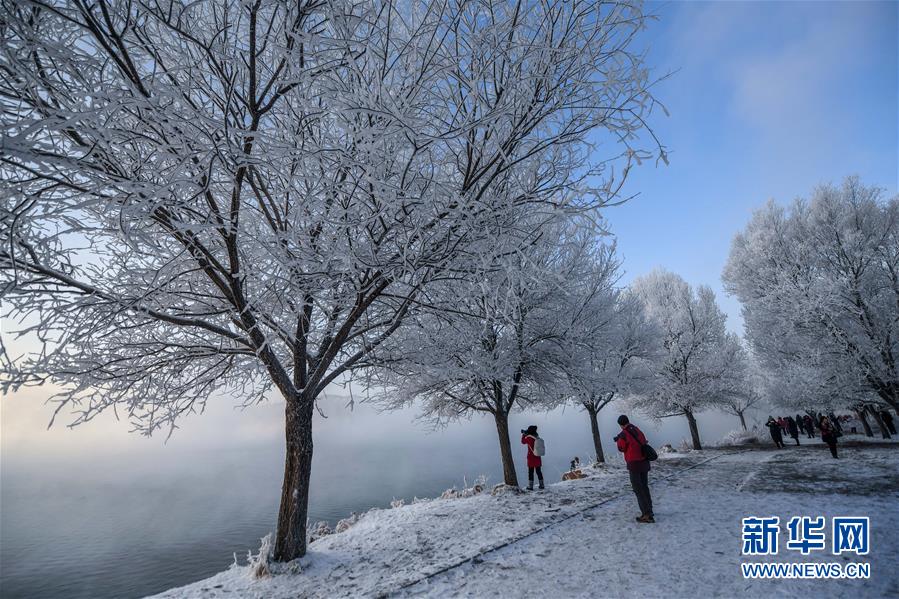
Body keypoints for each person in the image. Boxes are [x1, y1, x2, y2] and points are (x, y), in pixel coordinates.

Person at [614, 415, 654, 523]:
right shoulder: (637, 429)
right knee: (644, 487)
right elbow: (643, 441)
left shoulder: (623, 434)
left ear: (620, 425)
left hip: (634, 464)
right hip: (644, 462)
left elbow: (621, 448)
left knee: (638, 489)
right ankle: (649, 510)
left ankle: (646, 515)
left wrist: (618, 440)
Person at [520, 425, 544, 490]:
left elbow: (523, 441)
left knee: (531, 472)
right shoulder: (537, 437)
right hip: (537, 457)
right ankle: (541, 485)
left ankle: (530, 486)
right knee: (539, 472)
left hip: (531, 457)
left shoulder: (529, 438)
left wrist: (524, 434)